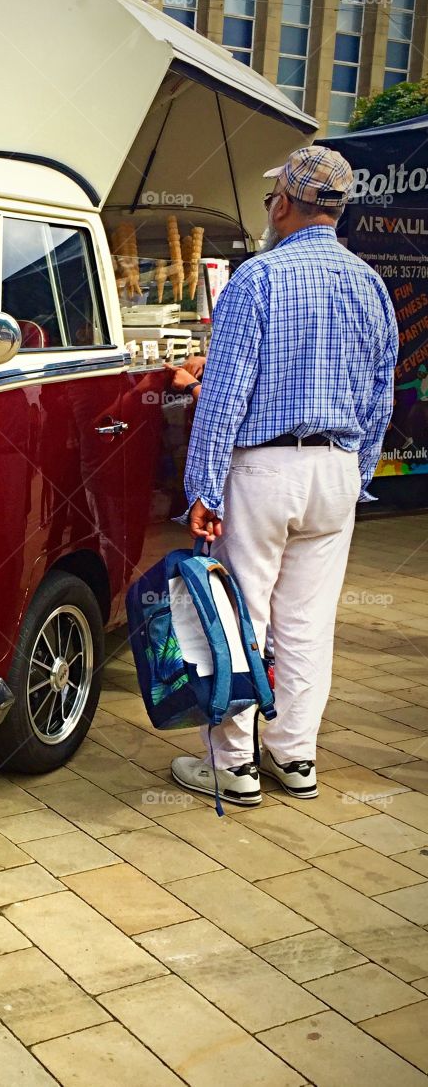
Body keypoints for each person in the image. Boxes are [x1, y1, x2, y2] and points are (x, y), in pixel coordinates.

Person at [170, 145, 398, 808]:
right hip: (334, 469)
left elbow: (224, 395)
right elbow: (380, 394)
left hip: (263, 468)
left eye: (274, 198)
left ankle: (235, 764)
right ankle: (296, 757)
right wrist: (356, 471)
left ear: (285, 204)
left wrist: (202, 489)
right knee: (307, 622)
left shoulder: (258, 277)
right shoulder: (369, 283)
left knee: (243, 615)